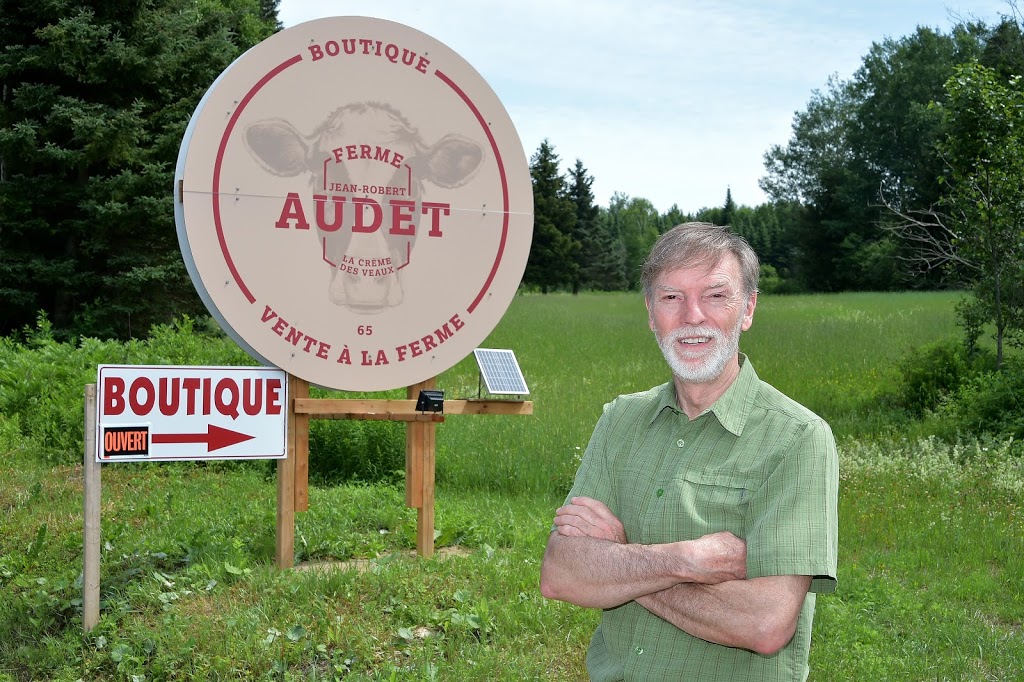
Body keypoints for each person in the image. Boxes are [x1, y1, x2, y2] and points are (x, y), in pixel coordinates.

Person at [540, 222, 838, 681]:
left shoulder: (798, 440)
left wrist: (620, 559)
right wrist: (686, 561)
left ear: (748, 309)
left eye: (716, 296)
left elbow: (764, 623)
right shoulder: (620, 419)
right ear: (650, 312)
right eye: (671, 297)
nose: (692, 316)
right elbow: (561, 572)